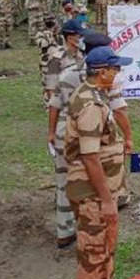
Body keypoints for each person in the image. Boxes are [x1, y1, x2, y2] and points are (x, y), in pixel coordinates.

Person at [64, 46, 137, 279]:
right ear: (102, 72)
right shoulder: (90, 105)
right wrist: (107, 200)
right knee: (92, 247)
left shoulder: (97, 95)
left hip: (104, 186)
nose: (118, 73)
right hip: (91, 191)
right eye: (115, 69)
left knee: (107, 240)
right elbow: (90, 157)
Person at [45, 20, 89, 248]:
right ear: (69, 36)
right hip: (64, 121)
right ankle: (65, 231)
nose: (81, 38)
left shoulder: (82, 57)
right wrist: (51, 131)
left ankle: (79, 223)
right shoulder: (56, 58)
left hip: (83, 121)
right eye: (79, 34)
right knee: (65, 178)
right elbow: (51, 95)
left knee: (79, 177)